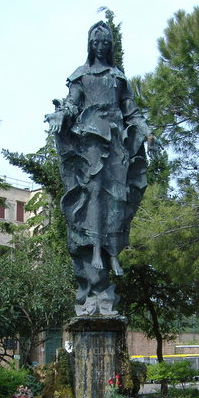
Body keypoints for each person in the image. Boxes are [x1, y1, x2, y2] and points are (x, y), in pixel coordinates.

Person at [45, 21, 156, 316]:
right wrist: (61, 115)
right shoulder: (80, 76)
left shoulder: (118, 77)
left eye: (106, 43)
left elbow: (132, 110)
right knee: (93, 194)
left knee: (117, 199)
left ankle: (111, 252)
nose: (101, 47)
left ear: (110, 45)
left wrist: (145, 130)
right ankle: (95, 250)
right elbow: (71, 104)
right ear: (90, 45)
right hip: (92, 139)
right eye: (97, 43)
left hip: (117, 142)